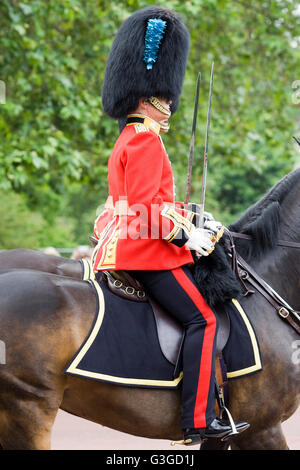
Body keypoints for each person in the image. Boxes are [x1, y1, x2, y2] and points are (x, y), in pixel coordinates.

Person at [92, 6, 249, 445]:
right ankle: (198, 419)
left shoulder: (132, 136)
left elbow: (152, 203)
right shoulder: (144, 141)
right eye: (165, 98)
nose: (171, 106)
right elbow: (146, 208)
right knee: (205, 321)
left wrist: (193, 217)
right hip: (146, 250)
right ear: (147, 96)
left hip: (131, 244)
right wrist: (186, 235)